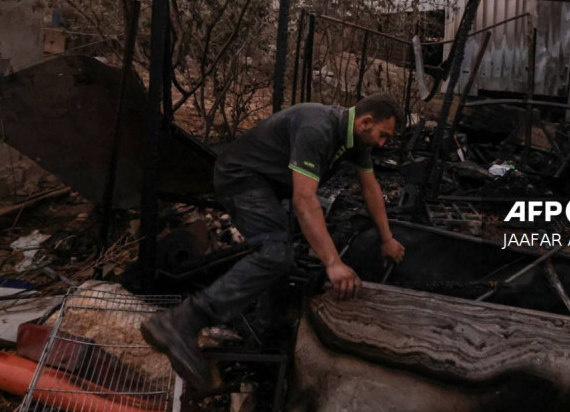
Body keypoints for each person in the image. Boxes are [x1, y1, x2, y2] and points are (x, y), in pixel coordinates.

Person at [141, 93, 408, 391]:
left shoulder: (355, 139)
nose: (383, 143)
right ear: (366, 122)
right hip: (240, 176)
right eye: (383, 136)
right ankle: (182, 321)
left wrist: (387, 238)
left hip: (268, 185)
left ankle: (266, 332)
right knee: (275, 252)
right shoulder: (317, 127)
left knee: (283, 253)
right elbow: (305, 200)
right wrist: (333, 263)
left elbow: (370, 188)